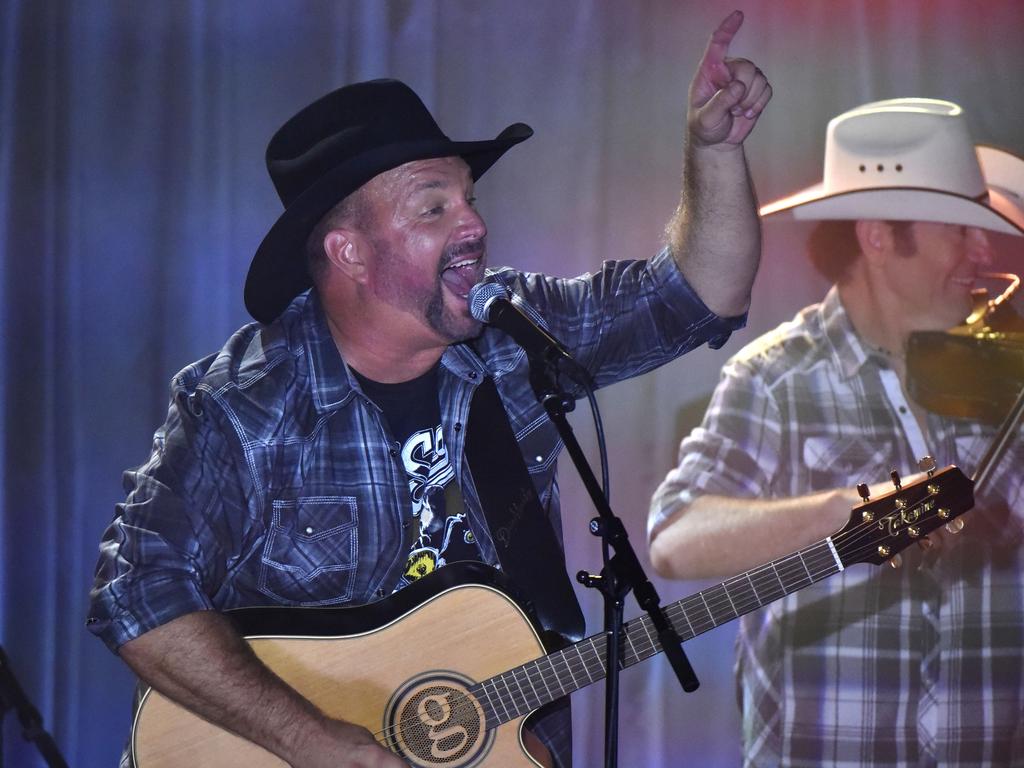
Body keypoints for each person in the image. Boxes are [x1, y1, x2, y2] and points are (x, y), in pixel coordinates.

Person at [87, 10, 770, 768]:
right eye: (434, 207)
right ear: (349, 251)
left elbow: (697, 294)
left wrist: (715, 150)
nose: (474, 223)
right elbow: (134, 590)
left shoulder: (513, 338)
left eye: (470, 197)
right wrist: (312, 740)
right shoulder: (245, 407)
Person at [649, 97, 1024, 768]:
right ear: (879, 236)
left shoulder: (1005, 371)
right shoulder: (776, 379)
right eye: (959, 230)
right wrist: (842, 512)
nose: (983, 250)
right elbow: (677, 539)